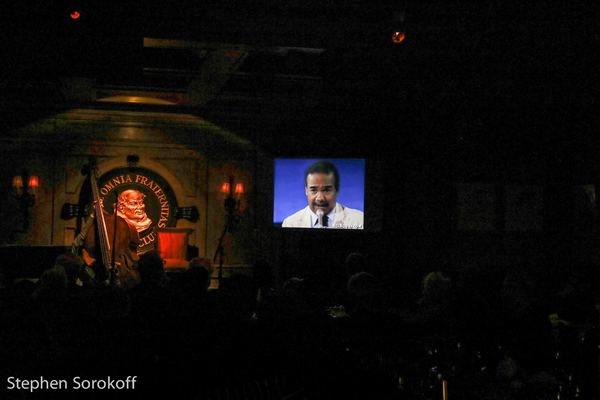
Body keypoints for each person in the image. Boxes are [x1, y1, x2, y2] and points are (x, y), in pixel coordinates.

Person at [282, 160, 364, 229]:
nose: (320, 198)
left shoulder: (359, 220)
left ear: (337, 190)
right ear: (306, 191)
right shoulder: (290, 224)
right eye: (313, 190)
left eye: (326, 190)